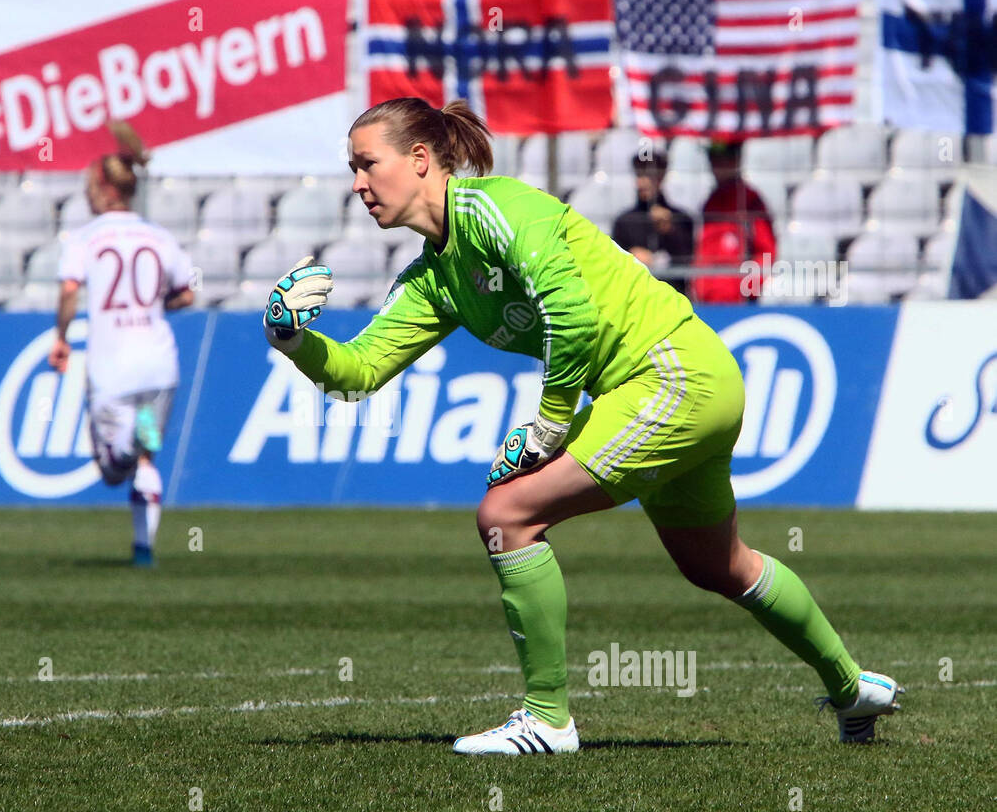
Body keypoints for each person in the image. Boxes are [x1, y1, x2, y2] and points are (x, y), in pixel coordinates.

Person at [263, 97, 901, 753]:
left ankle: (547, 720)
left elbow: (570, 313)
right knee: (719, 565)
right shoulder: (431, 279)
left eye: (368, 164)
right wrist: (291, 340)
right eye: (352, 168)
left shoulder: (496, 209)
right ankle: (854, 690)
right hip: (674, 384)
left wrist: (549, 426)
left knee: (506, 516)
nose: (358, 184)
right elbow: (358, 372)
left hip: (671, 376)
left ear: (421, 159)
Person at [49, 122, 194, 566]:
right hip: (159, 365)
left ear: (103, 186)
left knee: (114, 470)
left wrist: (60, 338)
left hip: (114, 367)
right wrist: (151, 305)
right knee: (148, 458)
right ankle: (144, 549)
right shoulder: (159, 236)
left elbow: (71, 289)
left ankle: (127, 446)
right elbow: (186, 292)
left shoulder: (87, 238)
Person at [692, 140, 777, 304]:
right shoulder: (710, 202)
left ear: (735, 160)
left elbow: (766, 252)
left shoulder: (750, 200)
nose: (714, 165)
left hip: (738, 304)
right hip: (705, 301)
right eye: (712, 158)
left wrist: (747, 289)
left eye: (721, 158)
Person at [611, 149, 695, 296]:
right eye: (639, 174)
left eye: (648, 175)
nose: (642, 182)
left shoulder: (682, 218)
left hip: (674, 299)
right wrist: (630, 256)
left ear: (661, 176)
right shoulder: (623, 221)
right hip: (636, 298)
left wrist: (670, 231)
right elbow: (613, 265)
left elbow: (689, 261)